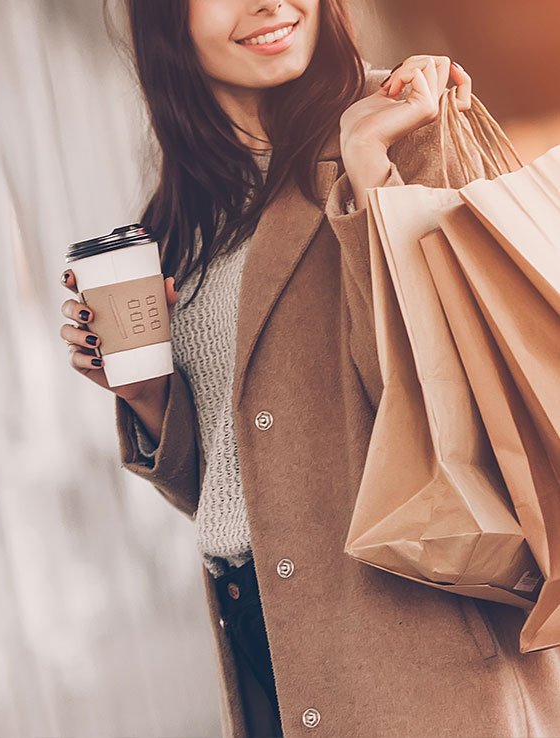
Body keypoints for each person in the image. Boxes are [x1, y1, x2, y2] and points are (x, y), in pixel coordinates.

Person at [61, 1, 560, 736]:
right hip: (264, 634)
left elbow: (450, 399)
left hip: (416, 636)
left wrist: (366, 173)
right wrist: (148, 401)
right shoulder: (182, 219)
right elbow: (250, 480)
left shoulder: (408, 120)